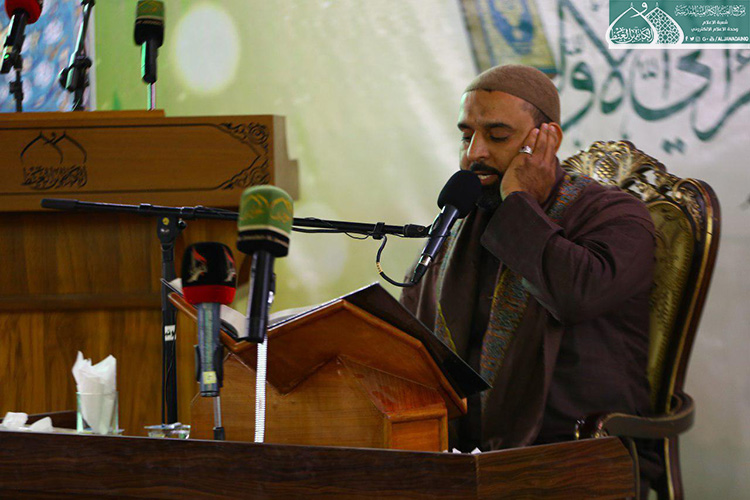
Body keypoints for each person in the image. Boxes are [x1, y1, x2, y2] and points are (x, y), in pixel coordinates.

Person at [400, 64, 660, 495]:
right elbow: (409, 327)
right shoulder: (466, 220)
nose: (474, 154)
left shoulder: (614, 215)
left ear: (545, 139)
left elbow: (574, 295)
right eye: (466, 136)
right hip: (461, 453)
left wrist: (521, 200)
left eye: (497, 136)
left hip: (581, 452)